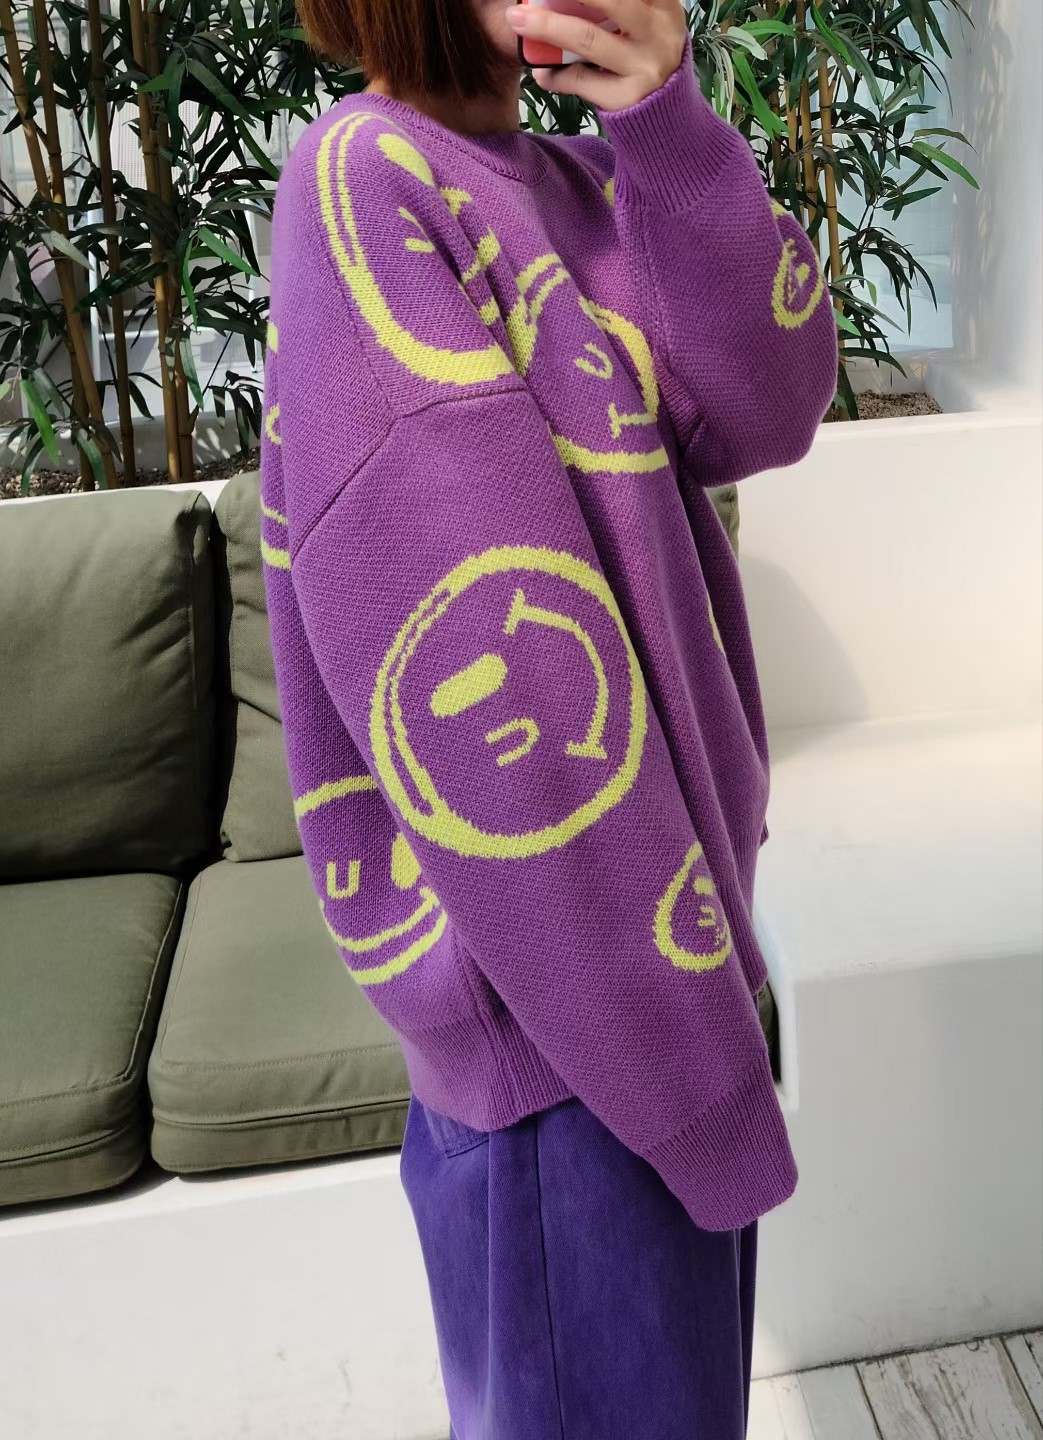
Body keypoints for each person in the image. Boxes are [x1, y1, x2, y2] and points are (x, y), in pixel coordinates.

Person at [260, 0, 837, 1434]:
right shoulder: (365, 179)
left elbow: (772, 404)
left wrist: (667, 128)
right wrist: (693, 1067)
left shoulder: (580, 181)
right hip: (575, 1028)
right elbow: (494, 695)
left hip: (660, 980)